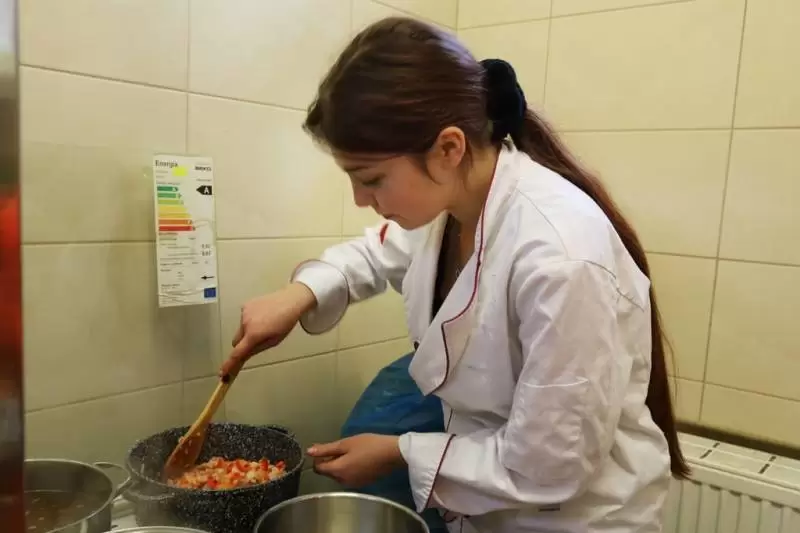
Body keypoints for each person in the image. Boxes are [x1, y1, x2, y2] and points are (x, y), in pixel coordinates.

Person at [220, 16, 689, 533]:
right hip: (493, 511)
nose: (359, 199)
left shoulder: (561, 257)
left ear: (448, 148)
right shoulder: (451, 208)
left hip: (576, 519)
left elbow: (547, 464)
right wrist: (299, 294)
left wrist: (400, 452)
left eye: (371, 179)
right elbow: (374, 255)